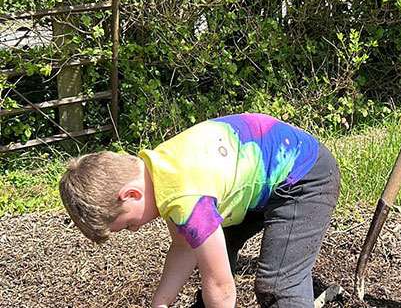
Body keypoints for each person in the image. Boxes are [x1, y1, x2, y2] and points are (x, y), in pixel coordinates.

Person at [59, 113, 341, 308]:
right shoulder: (160, 172)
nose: (133, 229)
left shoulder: (185, 197)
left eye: (126, 224)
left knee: (279, 285)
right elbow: (183, 248)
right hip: (257, 179)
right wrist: (161, 302)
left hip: (304, 176)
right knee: (211, 248)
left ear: (131, 195)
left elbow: (222, 288)